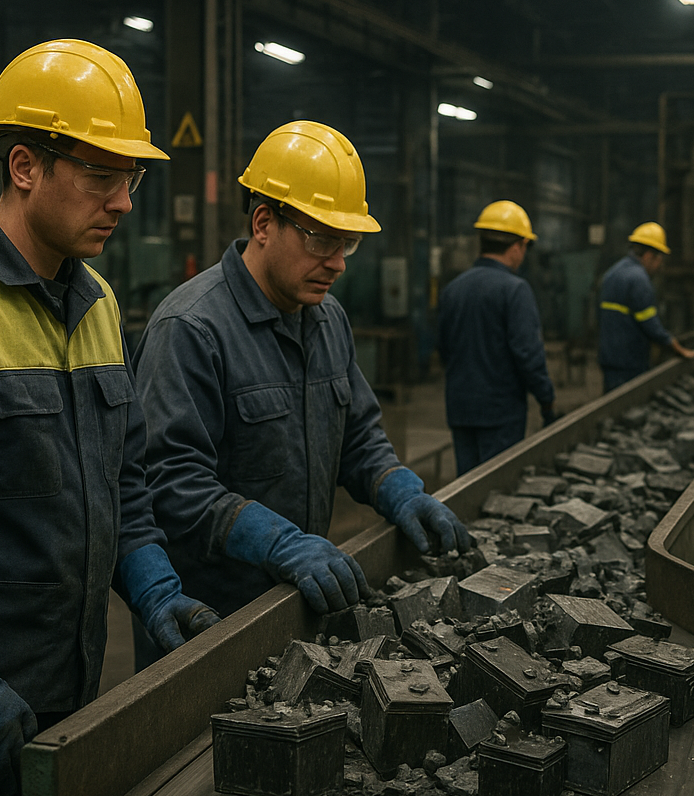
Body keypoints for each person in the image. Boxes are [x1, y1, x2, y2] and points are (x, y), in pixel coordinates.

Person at [0, 40, 219, 796]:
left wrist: (155, 590)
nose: (124, 203)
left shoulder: (97, 302)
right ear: (25, 165)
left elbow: (122, 482)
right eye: (103, 176)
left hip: (66, 694)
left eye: (131, 180)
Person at [131, 121, 469, 663]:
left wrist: (400, 489)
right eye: (321, 239)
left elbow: (357, 436)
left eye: (347, 243)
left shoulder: (326, 317)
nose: (337, 262)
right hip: (206, 621)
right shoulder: (192, 328)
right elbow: (168, 484)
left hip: (300, 600)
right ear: (264, 222)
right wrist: (277, 541)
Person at [437, 200, 557, 477]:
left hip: (460, 408)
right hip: (501, 413)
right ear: (517, 246)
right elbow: (528, 354)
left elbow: (443, 349)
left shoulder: (453, 289)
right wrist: (546, 399)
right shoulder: (515, 290)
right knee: (496, 490)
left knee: (466, 487)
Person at [597, 221, 694, 393]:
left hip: (609, 357)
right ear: (649, 255)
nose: (659, 266)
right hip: (630, 361)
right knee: (629, 408)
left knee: (611, 406)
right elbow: (650, 325)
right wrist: (675, 346)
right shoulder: (639, 279)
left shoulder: (611, 273)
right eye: (659, 260)